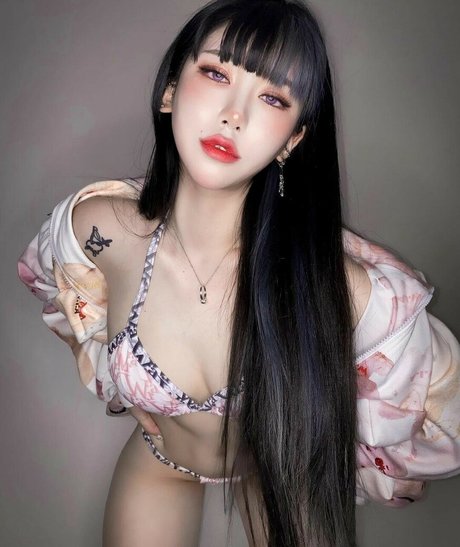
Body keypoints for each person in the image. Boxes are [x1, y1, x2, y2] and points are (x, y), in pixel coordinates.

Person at [17, 0, 460, 545]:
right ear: (170, 90)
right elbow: (55, 284)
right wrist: (121, 382)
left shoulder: (344, 289)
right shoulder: (98, 227)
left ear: (293, 139)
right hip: (160, 465)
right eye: (216, 73)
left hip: (284, 473)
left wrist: (351, 456)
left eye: (273, 98)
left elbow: (440, 410)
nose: (234, 115)